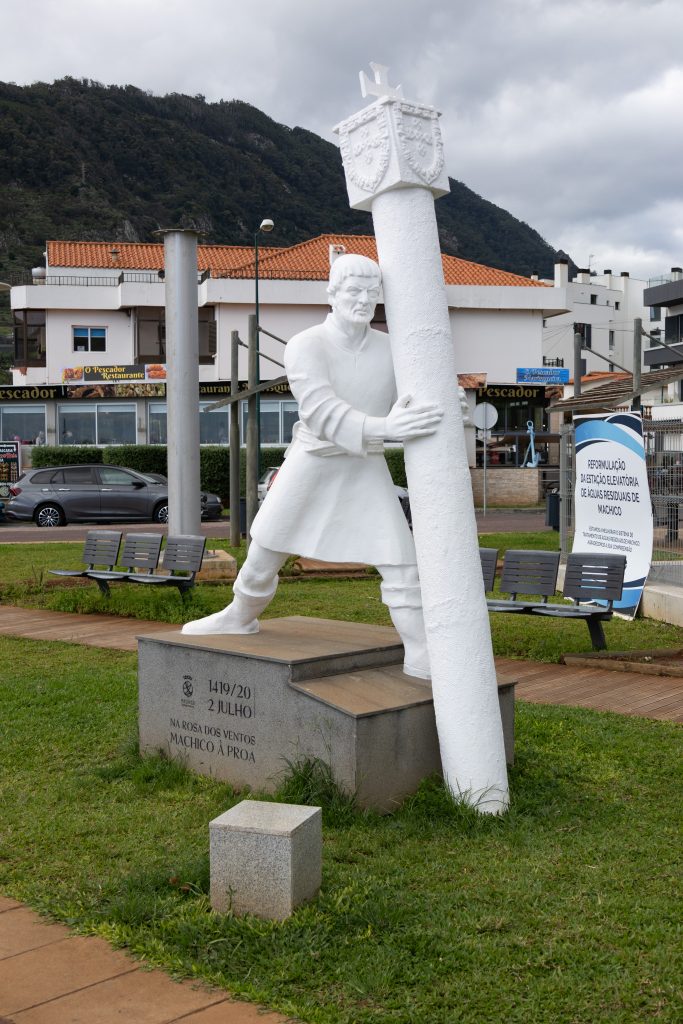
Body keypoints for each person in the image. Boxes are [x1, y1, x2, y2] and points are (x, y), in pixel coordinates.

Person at [182, 254, 443, 678]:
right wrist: (388, 426)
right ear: (332, 295)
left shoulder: (392, 349)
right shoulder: (306, 344)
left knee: (400, 560)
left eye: (371, 293)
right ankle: (239, 615)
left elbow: (422, 395)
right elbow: (321, 410)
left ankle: (419, 651)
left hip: (364, 465)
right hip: (314, 460)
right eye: (353, 291)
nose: (362, 301)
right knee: (265, 549)